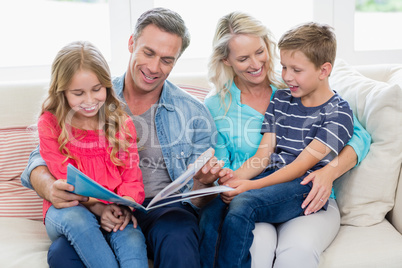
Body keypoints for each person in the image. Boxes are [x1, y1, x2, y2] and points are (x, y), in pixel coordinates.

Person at [21, 8, 222, 268]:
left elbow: (199, 200)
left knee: (179, 235)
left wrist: (204, 184)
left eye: (166, 59)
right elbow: (41, 159)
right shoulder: (94, 93)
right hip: (97, 205)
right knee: (62, 253)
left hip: (162, 210)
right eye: (148, 53)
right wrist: (49, 186)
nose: (153, 67)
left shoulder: (193, 113)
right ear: (131, 43)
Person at [200, 12, 371, 268]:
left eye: (260, 52)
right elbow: (261, 155)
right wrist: (229, 182)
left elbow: (359, 137)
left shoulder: (292, 87)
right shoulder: (276, 99)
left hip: (302, 188)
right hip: (260, 183)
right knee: (216, 215)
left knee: (289, 244)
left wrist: (328, 173)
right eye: (244, 58)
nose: (256, 63)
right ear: (227, 60)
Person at [37, 40, 147, 267]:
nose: (89, 101)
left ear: (106, 85)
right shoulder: (51, 123)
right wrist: (99, 207)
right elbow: (67, 180)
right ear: (62, 92)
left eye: (97, 90)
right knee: (79, 220)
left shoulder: (121, 124)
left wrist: (124, 206)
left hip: (113, 208)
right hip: (69, 210)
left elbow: (131, 178)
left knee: (132, 237)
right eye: (78, 93)